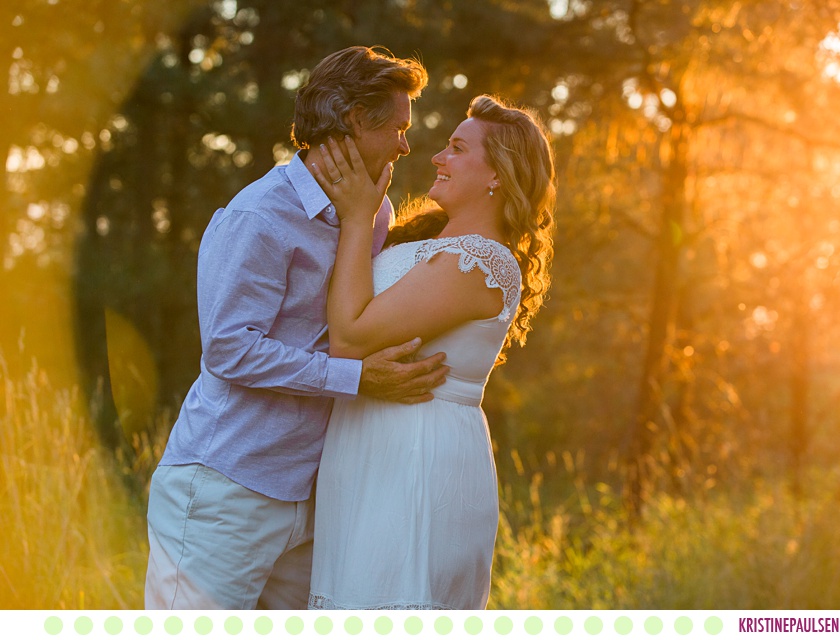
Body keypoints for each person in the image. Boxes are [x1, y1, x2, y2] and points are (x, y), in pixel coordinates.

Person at [144, 46, 447, 610]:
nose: (407, 144)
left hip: (311, 498)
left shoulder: (373, 212)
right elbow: (230, 351)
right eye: (399, 128)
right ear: (357, 120)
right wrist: (358, 378)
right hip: (225, 489)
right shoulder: (258, 216)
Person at [307, 94, 556, 609]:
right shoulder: (419, 243)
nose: (438, 158)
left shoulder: (481, 261)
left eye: (457, 148)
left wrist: (358, 218)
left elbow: (349, 340)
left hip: (418, 456)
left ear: (497, 175)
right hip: (365, 447)